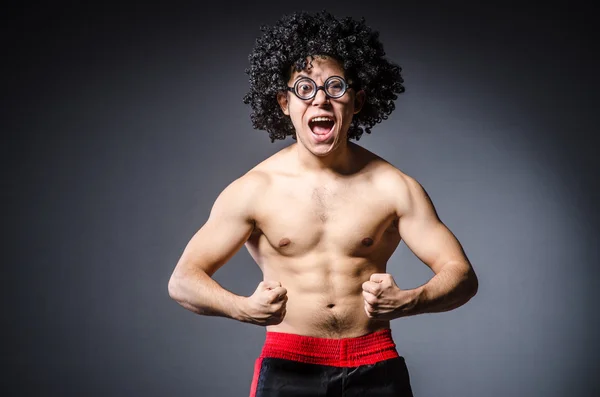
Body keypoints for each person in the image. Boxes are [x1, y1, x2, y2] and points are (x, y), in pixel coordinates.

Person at [168, 10, 478, 397]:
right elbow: (183, 281)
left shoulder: (394, 187)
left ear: (358, 100)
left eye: (335, 87)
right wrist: (242, 308)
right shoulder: (254, 189)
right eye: (304, 89)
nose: (320, 100)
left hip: (376, 363)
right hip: (288, 365)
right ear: (284, 103)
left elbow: (461, 275)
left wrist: (409, 300)